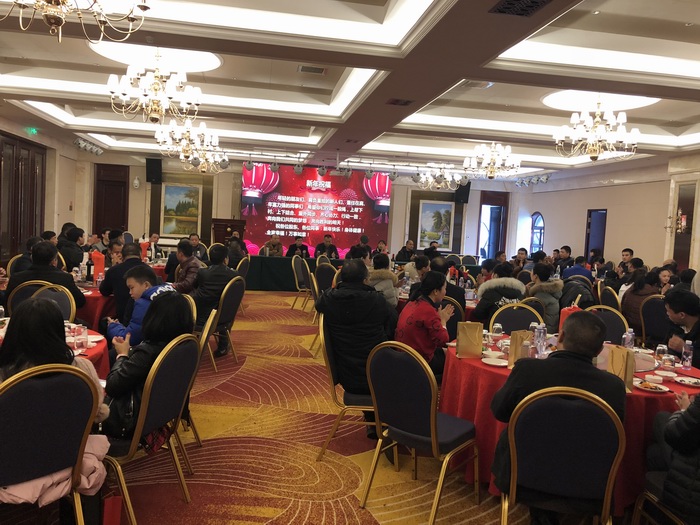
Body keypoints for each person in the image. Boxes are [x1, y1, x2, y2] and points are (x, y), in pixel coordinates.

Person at [490, 311, 626, 524]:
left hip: (523, 475)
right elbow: (611, 437)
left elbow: (499, 411)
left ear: (560, 336)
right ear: (600, 350)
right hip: (588, 483)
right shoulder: (614, 387)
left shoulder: (528, 369)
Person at [0, 297, 110, 525]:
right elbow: (97, 414)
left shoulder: (5, 377)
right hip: (66, 458)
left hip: (9, 468)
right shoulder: (82, 369)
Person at [315, 259, 394, 437]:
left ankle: (373, 419)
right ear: (366, 279)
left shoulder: (329, 300)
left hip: (347, 374)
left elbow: (319, 303)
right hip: (378, 375)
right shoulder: (376, 301)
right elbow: (393, 326)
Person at [102, 291, 194, 439]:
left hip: (130, 421)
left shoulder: (149, 352)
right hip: (163, 411)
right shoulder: (186, 345)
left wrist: (122, 355)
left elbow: (113, 386)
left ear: (153, 318)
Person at [395, 271, 452, 377]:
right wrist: (443, 321)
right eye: (444, 288)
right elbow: (443, 340)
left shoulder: (412, 303)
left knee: (448, 352)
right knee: (455, 361)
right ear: (436, 291)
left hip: (403, 355)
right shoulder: (428, 310)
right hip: (419, 361)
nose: (445, 292)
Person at [106, 266, 174, 347]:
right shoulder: (172, 292)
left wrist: (112, 326)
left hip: (154, 350)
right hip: (176, 347)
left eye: (132, 288)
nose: (130, 292)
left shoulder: (144, 303)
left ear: (146, 285)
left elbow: (130, 339)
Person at [5, 241, 86, 309]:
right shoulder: (64, 278)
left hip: (22, 320)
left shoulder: (16, 278)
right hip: (54, 321)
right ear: (54, 261)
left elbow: (7, 303)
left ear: (32, 258)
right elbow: (80, 302)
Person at [191, 244, 239, 357]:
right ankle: (223, 346)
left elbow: (194, 286)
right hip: (224, 316)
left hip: (200, 316)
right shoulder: (233, 275)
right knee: (220, 303)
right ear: (225, 258)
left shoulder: (203, 273)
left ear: (210, 258)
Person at [99, 242, 148, 323]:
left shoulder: (114, 270)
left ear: (122, 256)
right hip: (145, 316)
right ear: (140, 254)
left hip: (122, 318)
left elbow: (104, 291)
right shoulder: (148, 270)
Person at [664, 289, 700, 368]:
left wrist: (685, 349)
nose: (667, 314)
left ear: (682, 315)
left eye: (668, 311)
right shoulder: (675, 325)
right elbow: (667, 347)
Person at [526, 263, 564, 334]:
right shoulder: (551, 288)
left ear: (535, 276)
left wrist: (527, 295)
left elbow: (532, 314)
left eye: (531, 271)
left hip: (544, 331)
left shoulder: (540, 294)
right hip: (552, 327)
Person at [621, 269, 659, 335]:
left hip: (627, 324)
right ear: (655, 284)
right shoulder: (653, 296)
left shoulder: (629, 290)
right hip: (643, 329)